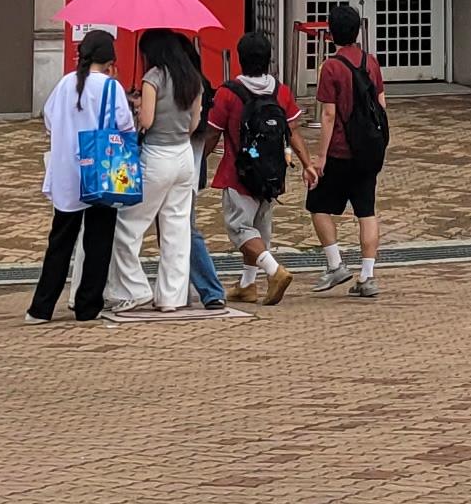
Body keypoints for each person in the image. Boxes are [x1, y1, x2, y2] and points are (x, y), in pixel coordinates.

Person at [207, 28, 313, 308]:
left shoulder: (227, 93)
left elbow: (212, 133)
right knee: (259, 228)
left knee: (240, 228)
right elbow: (293, 131)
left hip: (239, 173)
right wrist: (307, 164)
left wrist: (198, 161)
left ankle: (274, 271)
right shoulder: (281, 91)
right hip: (271, 173)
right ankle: (247, 284)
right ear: (269, 59)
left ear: (240, 59)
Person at [29, 27, 125, 325]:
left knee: (60, 241)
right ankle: (87, 306)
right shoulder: (111, 87)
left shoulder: (65, 83)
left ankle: (41, 308)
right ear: (110, 60)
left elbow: (48, 119)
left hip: (67, 172)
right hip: (102, 170)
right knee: (98, 242)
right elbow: (125, 126)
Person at [108, 26, 207, 316]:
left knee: (127, 226)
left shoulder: (152, 78)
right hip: (184, 156)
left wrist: (138, 107)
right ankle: (171, 297)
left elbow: (147, 121)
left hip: (156, 156)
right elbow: (193, 123)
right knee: (176, 229)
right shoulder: (192, 78)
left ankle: (135, 287)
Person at [307, 3, 389, 298]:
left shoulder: (330, 67)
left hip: (341, 150)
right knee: (366, 211)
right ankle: (367, 275)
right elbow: (381, 104)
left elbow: (328, 115)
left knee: (317, 205)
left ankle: (335, 264)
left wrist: (320, 157)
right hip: (368, 150)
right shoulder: (371, 62)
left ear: (330, 34)